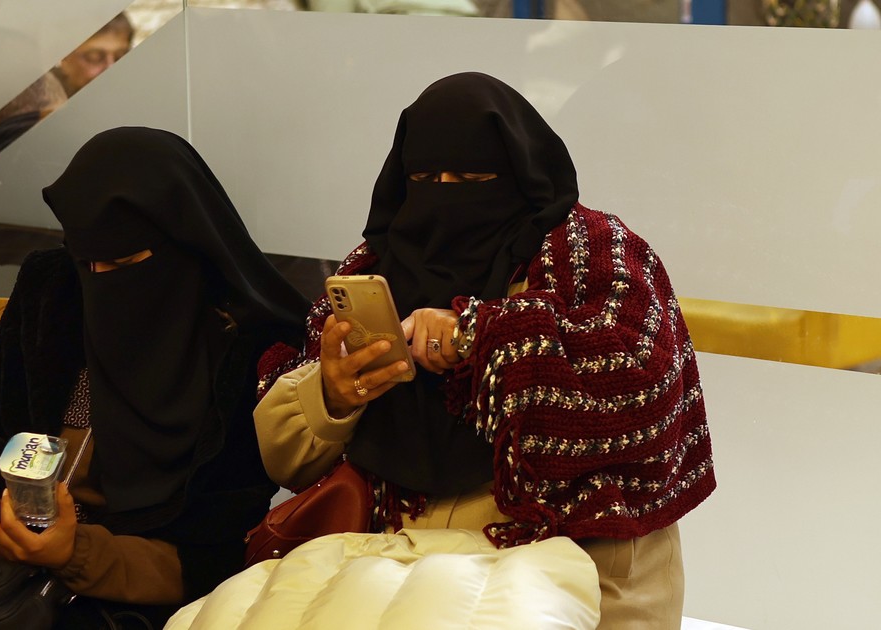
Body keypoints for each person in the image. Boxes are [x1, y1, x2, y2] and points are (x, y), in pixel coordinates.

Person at [253, 73, 715, 628]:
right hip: (392, 576)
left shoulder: (593, 253)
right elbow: (285, 461)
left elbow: (644, 384)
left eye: (472, 178)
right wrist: (331, 394)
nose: (446, 195)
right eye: (425, 179)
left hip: (578, 575)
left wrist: (479, 335)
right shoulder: (375, 266)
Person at [0, 126, 308, 627]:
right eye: (86, 262)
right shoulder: (54, 289)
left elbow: (215, 551)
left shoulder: (245, 346)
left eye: (122, 262)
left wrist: (75, 552)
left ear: (182, 240)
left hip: (135, 602)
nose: (99, 280)